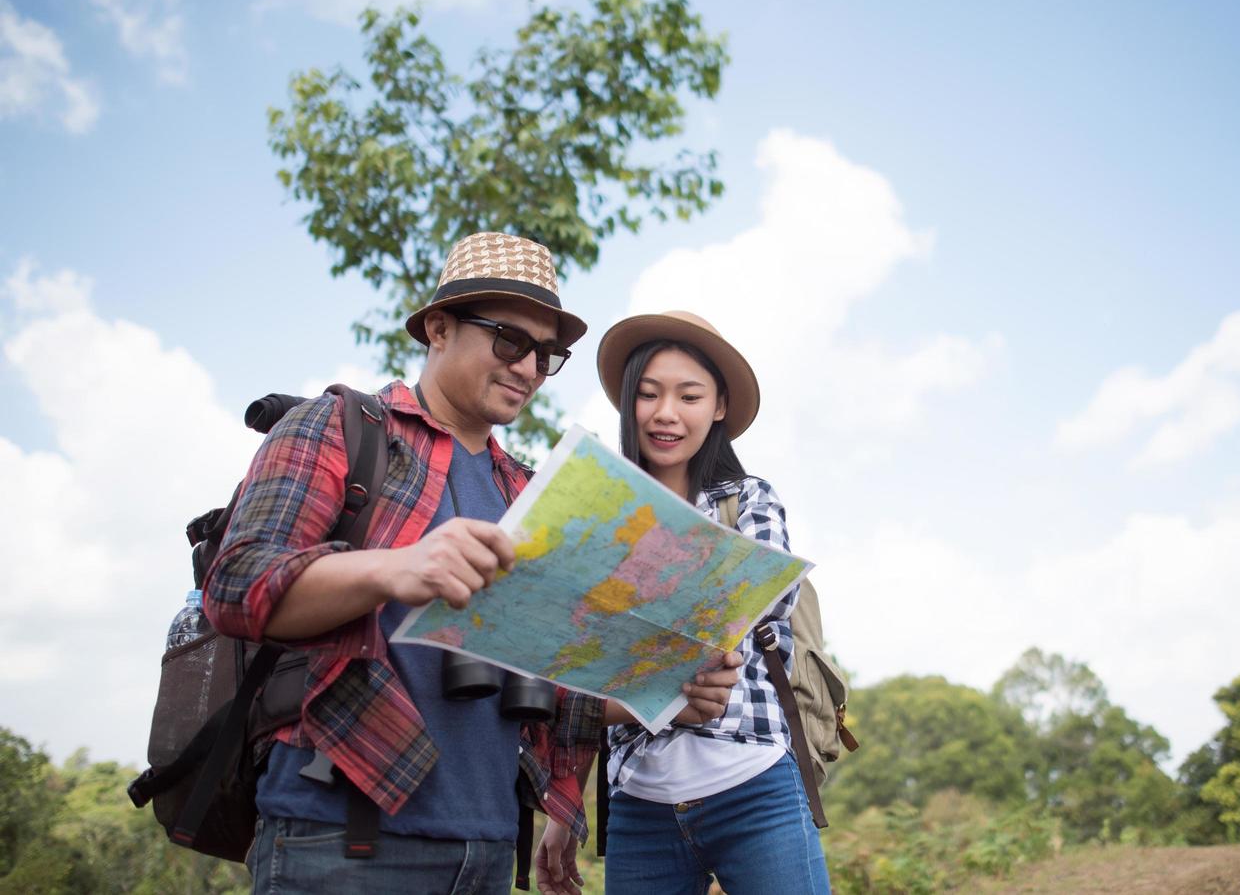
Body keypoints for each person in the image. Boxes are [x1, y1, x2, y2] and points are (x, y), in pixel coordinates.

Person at [203, 234, 743, 895]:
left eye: (548, 355)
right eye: (510, 342)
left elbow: (545, 690)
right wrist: (395, 569)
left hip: (486, 850)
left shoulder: (530, 494)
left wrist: (660, 695)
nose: (529, 369)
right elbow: (235, 584)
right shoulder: (338, 428)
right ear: (438, 328)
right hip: (342, 838)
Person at [535, 310, 829, 895]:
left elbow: (753, 600)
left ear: (718, 407)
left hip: (754, 784)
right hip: (639, 809)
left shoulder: (749, 500)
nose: (665, 413)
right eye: (647, 394)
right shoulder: (600, 520)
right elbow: (584, 678)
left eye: (688, 395)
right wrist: (562, 811)